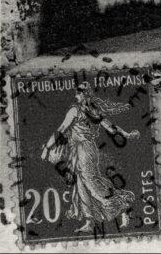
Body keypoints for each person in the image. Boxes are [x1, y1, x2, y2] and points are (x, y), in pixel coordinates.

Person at [40, 82, 140, 233]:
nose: (76, 95)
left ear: (82, 95)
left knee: (91, 183)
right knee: (81, 185)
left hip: (84, 150)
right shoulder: (95, 110)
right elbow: (111, 128)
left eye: (78, 93)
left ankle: (122, 204)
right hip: (84, 150)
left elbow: (61, 129)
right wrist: (126, 134)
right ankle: (89, 222)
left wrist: (47, 147)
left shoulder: (75, 110)